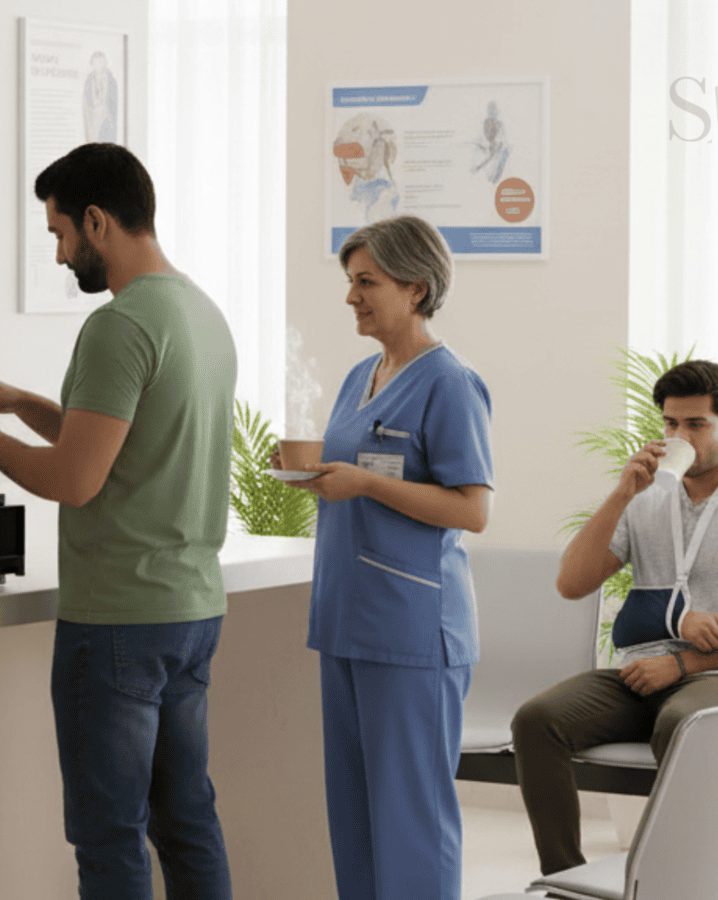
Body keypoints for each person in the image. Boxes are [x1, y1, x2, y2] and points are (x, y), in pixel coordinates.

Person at [0, 142, 237, 900]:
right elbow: (115, 441)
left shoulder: (118, 326)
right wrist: (17, 403)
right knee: (187, 821)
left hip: (117, 621)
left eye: (61, 233)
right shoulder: (200, 313)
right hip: (190, 610)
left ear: (97, 221)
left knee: (109, 837)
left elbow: (76, 478)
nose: (61, 254)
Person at [510, 359, 718, 876]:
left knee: (680, 721)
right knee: (535, 721)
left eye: (696, 425)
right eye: (670, 424)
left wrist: (682, 665)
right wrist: (623, 492)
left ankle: (678, 877)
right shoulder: (643, 503)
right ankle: (565, 878)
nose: (679, 437)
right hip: (639, 672)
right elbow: (571, 583)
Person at [282, 214, 494, 900]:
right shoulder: (360, 376)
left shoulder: (450, 383)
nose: (352, 296)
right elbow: (354, 472)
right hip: (347, 621)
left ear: (416, 287)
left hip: (411, 631)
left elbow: (472, 509)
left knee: (411, 823)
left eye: (366, 282)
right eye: (350, 281)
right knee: (354, 819)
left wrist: (367, 483)